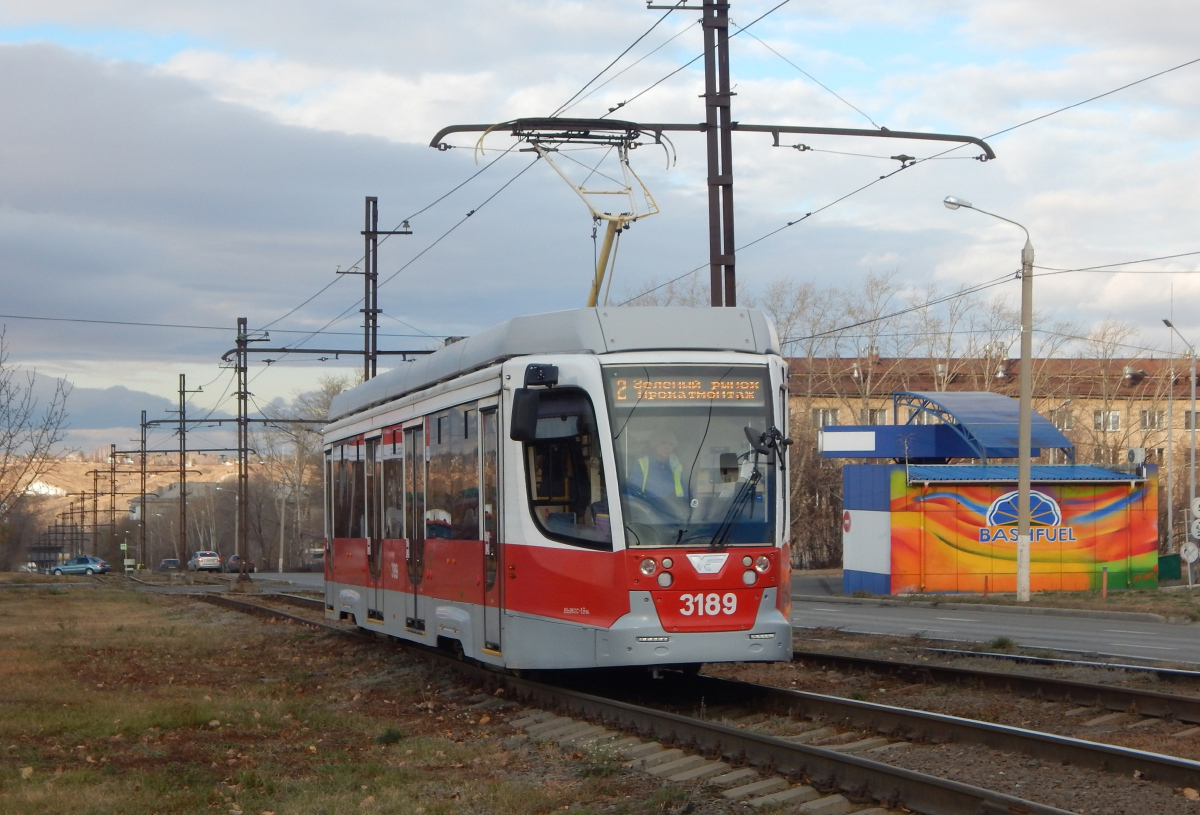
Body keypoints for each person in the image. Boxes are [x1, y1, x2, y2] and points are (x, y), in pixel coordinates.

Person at [637, 433, 686, 502]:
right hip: (648, 504)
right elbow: (634, 488)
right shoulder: (642, 463)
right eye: (663, 443)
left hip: (672, 505)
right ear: (654, 445)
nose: (667, 447)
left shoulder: (677, 464)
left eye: (671, 444)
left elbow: (684, 488)